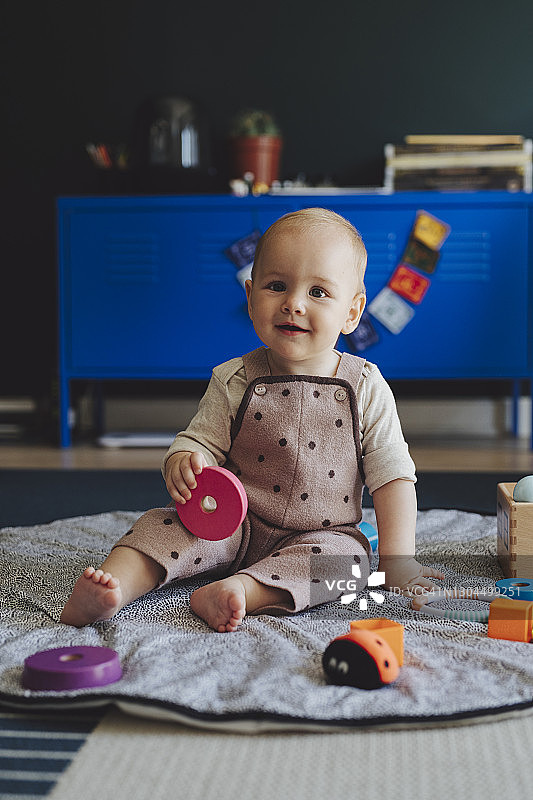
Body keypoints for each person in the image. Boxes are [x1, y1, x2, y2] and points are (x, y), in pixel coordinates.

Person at [60, 208, 443, 632]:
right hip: (228, 524)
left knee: (351, 568)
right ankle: (113, 586)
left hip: (321, 535)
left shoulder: (366, 385)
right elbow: (200, 440)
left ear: (352, 313)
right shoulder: (234, 378)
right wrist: (184, 459)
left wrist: (398, 561)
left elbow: (392, 478)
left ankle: (241, 591)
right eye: (276, 286)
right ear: (250, 297)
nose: (293, 304)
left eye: (318, 292)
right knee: (162, 525)